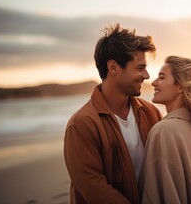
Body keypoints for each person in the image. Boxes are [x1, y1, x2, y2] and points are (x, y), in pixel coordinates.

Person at [64, 23, 162, 204]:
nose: (147, 76)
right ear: (114, 67)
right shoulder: (81, 124)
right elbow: (94, 190)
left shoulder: (151, 113)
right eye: (140, 68)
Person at [139, 56, 191, 204]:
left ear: (180, 86)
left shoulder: (163, 130)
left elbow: (153, 195)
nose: (154, 82)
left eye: (162, 77)